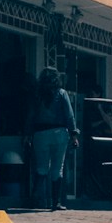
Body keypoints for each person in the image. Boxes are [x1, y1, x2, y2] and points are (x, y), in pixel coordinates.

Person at [24, 66, 78, 211]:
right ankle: (56, 202)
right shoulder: (62, 93)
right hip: (60, 133)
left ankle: (36, 199)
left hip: (40, 134)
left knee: (41, 168)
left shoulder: (37, 95)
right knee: (57, 168)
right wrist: (74, 134)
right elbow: (69, 115)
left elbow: (31, 115)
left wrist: (28, 134)